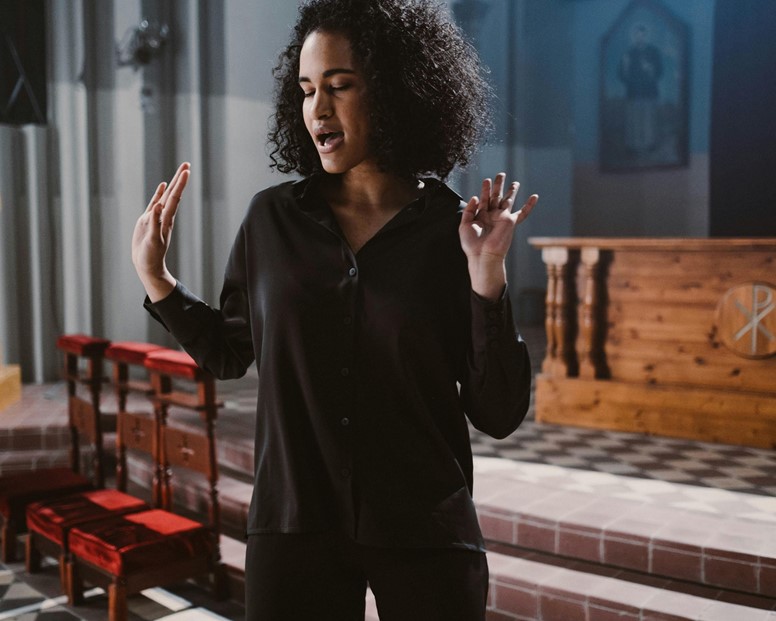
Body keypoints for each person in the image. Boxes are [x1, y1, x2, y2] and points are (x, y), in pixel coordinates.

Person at [131, 0, 537, 619]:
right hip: (296, 522)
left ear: (397, 91)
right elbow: (228, 353)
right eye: (306, 89)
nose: (317, 109)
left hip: (423, 525)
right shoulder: (272, 220)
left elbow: (498, 412)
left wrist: (487, 280)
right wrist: (157, 279)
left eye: (340, 86)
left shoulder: (455, 233)